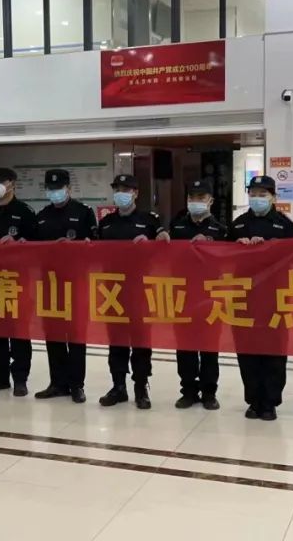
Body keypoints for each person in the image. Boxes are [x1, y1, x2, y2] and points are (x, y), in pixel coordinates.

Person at [229, 176, 293, 420]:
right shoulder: (238, 224)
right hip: (244, 296)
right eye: (253, 194)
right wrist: (238, 246)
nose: (257, 198)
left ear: (273, 197)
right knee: (246, 348)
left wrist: (269, 247)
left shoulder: (285, 225)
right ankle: (253, 400)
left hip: (274, 295)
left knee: (274, 348)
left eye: (263, 194)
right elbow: (222, 257)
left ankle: (270, 401)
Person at [98, 174, 166, 410]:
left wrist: (154, 241)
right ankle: (118, 386)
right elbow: (94, 252)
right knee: (116, 339)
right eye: (117, 189)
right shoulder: (106, 223)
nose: (121, 194)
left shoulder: (150, 220)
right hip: (112, 290)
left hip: (140, 288)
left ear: (136, 193)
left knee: (140, 339)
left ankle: (141, 386)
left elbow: (165, 249)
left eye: (126, 190)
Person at [33, 169, 97, 404]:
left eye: (58, 188)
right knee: (53, 334)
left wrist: (81, 246)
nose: (54, 192)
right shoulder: (42, 216)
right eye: (50, 189)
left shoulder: (84, 213)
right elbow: (32, 249)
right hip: (49, 284)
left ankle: (76, 385)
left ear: (69, 188)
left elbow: (96, 246)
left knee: (76, 335)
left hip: (76, 282)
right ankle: (57, 383)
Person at [0, 167, 39, 397]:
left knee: (19, 332)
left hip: (17, 282)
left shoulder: (25, 212)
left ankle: (20, 378)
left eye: (1, 181)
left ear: (12, 183)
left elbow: (37, 245)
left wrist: (21, 242)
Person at [167, 180, 228, 411]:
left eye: (201, 198)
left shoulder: (221, 230)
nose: (195, 202)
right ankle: (188, 391)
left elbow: (228, 260)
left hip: (211, 295)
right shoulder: (177, 227)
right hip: (183, 294)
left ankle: (209, 392)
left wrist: (209, 244)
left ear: (211, 201)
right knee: (185, 346)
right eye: (192, 197)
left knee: (209, 346)